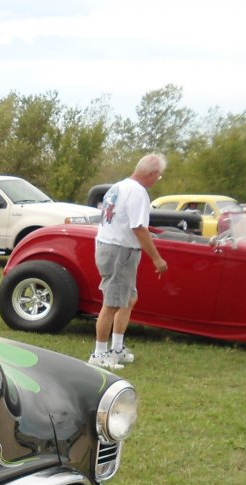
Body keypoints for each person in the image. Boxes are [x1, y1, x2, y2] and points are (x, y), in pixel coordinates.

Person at [91, 153, 169, 369]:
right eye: (159, 176)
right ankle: (99, 353)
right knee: (113, 303)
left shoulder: (119, 186)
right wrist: (157, 258)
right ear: (153, 173)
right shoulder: (138, 192)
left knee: (128, 299)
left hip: (111, 247)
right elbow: (138, 227)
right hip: (120, 252)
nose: (157, 180)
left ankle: (116, 347)